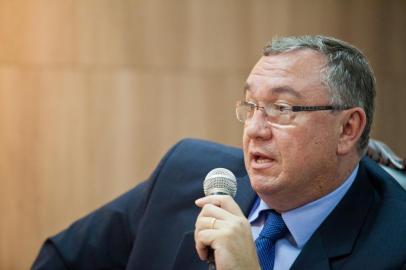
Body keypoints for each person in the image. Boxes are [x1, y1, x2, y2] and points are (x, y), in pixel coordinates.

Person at [32, 36, 406, 270]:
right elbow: (62, 259)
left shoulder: (394, 246)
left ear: (347, 129)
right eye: (251, 106)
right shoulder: (184, 172)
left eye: (283, 109)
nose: (255, 130)